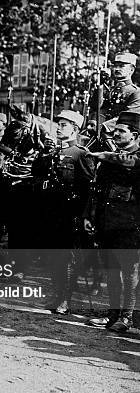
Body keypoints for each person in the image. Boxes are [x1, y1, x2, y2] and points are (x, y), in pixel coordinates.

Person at [32, 110, 95, 315]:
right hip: (51, 213)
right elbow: (38, 176)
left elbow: (89, 188)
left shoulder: (80, 154)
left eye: (64, 125)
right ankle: (55, 294)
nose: (59, 128)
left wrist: (85, 215)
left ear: (75, 129)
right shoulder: (51, 153)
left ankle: (65, 301)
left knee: (67, 258)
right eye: (58, 125)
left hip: (70, 214)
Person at [84, 111, 140, 331]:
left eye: (121, 131)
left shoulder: (135, 158)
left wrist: (104, 155)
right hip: (108, 223)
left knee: (130, 273)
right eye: (115, 130)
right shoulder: (110, 157)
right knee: (111, 270)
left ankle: (126, 318)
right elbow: (97, 189)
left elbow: (130, 163)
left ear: (134, 135)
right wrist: (88, 215)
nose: (115, 134)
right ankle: (112, 315)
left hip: (131, 226)